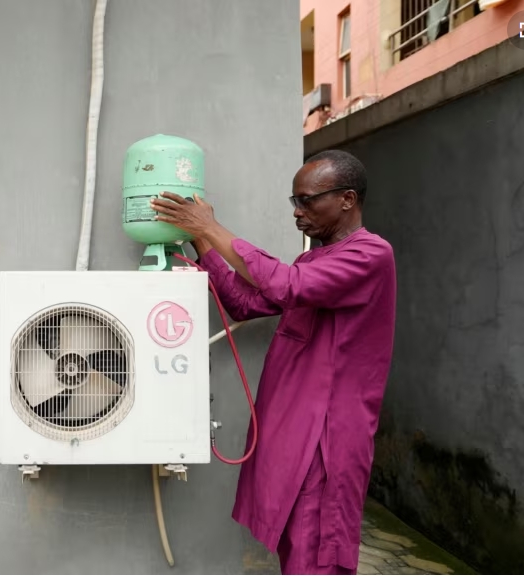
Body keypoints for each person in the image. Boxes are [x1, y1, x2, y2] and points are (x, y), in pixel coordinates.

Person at [150, 150, 397, 575]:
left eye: (307, 201)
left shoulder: (371, 255)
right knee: (294, 545)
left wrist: (212, 225)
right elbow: (245, 303)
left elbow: (286, 286)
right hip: (293, 428)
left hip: (326, 437)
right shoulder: (311, 261)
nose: (297, 213)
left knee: (319, 553)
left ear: (347, 199)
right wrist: (200, 240)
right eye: (294, 202)